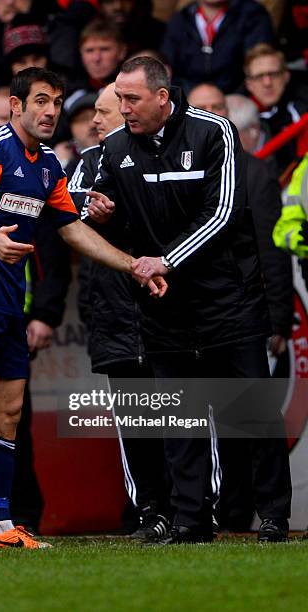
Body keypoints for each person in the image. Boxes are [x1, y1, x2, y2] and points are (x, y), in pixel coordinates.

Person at [0, 66, 167, 550]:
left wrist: (134, 266)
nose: (50, 111)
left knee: (9, 412)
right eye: (40, 101)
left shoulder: (47, 167)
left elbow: (71, 228)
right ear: (16, 106)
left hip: (8, 303)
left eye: (56, 102)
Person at [84, 56, 292, 543]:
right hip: (164, 303)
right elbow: (82, 197)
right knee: (179, 415)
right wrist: (98, 209)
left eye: (131, 99)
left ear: (162, 96)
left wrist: (165, 260)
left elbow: (223, 213)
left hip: (229, 296)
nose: (123, 108)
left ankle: (274, 515)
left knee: (251, 411)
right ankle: (190, 519)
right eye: (119, 98)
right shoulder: (114, 147)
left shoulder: (212, 130)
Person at [189, 83, 294, 531]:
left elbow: (273, 250)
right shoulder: (185, 167)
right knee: (214, 422)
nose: (211, 115)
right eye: (202, 109)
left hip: (247, 311)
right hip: (195, 312)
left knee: (256, 417)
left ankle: (273, 513)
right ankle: (229, 512)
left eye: (218, 107)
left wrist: (277, 315)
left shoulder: (254, 171)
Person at [69, 82, 170, 540]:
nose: (95, 120)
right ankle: (150, 512)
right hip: (112, 311)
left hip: (166, 304)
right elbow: (64, 216)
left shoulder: (160, 155)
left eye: (105, 111)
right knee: (135, 424)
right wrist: (93, 215)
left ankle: (195, 509)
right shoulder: (85, 164)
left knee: (183, 414)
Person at [160, 0, 275, 94]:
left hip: (238, 99)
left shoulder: (253, 15)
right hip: (191, 101)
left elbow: (258, 65)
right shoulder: (180, 19)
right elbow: (169, 71)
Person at [244, 43, 308, 175]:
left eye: (273, 74)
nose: (267, 83)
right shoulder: (236, 118)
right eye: (259, 76)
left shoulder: (302, 110)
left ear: (286, 77)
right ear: (249, 84)